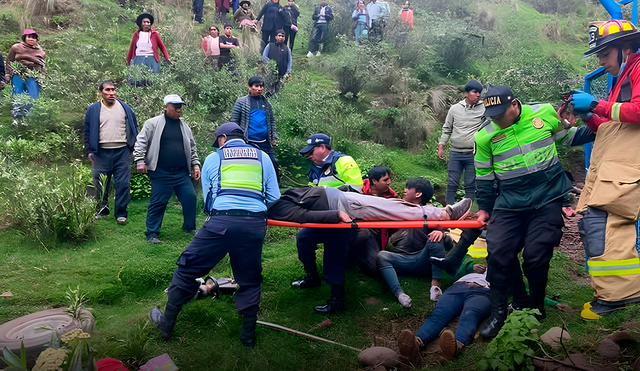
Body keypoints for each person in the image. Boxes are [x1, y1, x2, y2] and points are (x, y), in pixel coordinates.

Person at [475, 85, 596, 338]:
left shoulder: (543, 113)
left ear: (514, 104)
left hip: (547, 198)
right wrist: (485, 209)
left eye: (500, 113)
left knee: (535, 255)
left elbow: (569, 138)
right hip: (509, 203)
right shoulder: (483, 136)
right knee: (498, 251)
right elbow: (484, 177)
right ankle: (503, 311)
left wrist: (598, 123)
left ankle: (537, 306)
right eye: (492, 115)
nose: (496, 119)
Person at [149, 122, 280, 348]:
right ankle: (248, 336)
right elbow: (273, 196)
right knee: (249, 277)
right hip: (254, 225)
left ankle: (166, 325)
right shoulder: (263, 157)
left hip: (221, 222)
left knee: (187, 268)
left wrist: (219, 215)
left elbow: (209, 198)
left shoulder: (214, 158)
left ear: (222, 139)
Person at [268, 186, 474, 314]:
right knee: (391, 209)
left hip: (335, 202)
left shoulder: (275, 201)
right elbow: (302, 215)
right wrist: (335, 215)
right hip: (337, 208)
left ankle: (441, 215)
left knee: (389, 207)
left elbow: (303, 208)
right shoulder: (274, 207)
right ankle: (443, 214)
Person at [569, 19, 640, 319]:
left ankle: (618, 298)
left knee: (604, 226)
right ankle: (610, 294)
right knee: (592, 224)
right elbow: (610, 125)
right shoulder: (622, 76)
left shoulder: (638, 67)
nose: (600, 60)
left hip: (625, 168)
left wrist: (596, 104)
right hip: (608, 167)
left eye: (604, 53)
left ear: (624, 48)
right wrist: (588, 115)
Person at [133, 95, 201, 244]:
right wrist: (139, 160)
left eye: (180, 106)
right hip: (161, 172)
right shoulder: (152, 123)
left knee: (190, 198)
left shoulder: (184, 127)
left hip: (181, 173)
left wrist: (195, 165)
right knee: (158, 202)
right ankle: (152, 233)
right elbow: (140, 142)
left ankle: (189, 227)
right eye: (175, 105)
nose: (179, 109)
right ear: (166, 107)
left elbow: (192, 147)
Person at [377, 178, 451, 308]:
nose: (404, 191)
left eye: (408, 188)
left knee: (435, 238)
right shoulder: (397, 209)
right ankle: (399, 294)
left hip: (423, 259)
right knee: (382, 256)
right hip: (401, 260)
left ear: (418, 194)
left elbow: (450, 244)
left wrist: (442, 234)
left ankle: (436, 286)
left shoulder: (432, 213)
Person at [397, 268, 490, 365]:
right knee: (439, 315)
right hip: (458, 288)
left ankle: (454, 348)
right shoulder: (474, 271)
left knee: (470, 315)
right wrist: (472, 266)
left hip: (483, 292)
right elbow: (451, 266)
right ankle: (415, 344)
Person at [84, 81, 139, 225]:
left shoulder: (125, 107)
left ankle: (121, 213)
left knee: (123, 183)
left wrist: (132, 146)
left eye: (113, 90)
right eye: (107, 90)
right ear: (100, 92)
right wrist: (89, 150)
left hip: (122, 152)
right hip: (101, 152)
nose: (111, 93)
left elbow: (134, 126)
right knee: (100, 183)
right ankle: (102, 209)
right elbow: (87, 130)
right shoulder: (93, 109)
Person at [438, 79, 486, 205]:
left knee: (470, 183)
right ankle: (449, 209)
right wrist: (441, 146)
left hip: (473, 154)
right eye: (474, 92)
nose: (478, 95)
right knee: (452, 182)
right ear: (466, 92)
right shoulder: (455, 109)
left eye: (479, 92)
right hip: (455, 153)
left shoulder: (484, 109)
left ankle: (467, 211)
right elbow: (447, 128)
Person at [346, 166, 398, 276]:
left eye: (389, 179)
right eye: (385, 180)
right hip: (357, 229)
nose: (389, 182)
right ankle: (346, 254)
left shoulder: (392, 197)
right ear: (374, 181)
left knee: (372, 269)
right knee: (361, 234)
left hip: (376, 233)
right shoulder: (357, 192)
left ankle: (358, 255)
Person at [230, 76, 280, 177]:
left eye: (261, 86)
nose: (259, 88)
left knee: (273, 164)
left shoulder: (266, 104)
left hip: (265, 143)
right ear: (250, 87)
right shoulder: (241, 102)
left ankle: (274, 189)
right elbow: (234, 123)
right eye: (256, 86)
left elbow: (272, 121)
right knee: (249, 168)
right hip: (248, 142)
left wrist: (273, 136)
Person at [5, 29, 46, 116]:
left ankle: (29, 114)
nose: (31, 39)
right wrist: (7, 74)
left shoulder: (41, 52)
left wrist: (43, 77)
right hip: (18, 73)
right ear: (24, 38)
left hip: (33, 75)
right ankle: (17, 114)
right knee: (18, 92)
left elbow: (42, 66)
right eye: (29, 37)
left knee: (33, 94)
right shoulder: (16, 47)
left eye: (34, 37)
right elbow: (9, 60)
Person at [126, 13, 169, 86]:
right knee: (138, 80)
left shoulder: (154, 34)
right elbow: (132, 47)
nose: (146, 24)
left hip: (152, 58)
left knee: (152, 80)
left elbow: (162, 46)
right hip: (139, 58)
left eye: (148, 22)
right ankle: (138, 95)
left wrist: (167, 57)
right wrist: (128, 60)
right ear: (141, 24)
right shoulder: (137, 34)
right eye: (144, 22)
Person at [262, 29, 292, 94]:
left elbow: (289, 61)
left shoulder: (287, 49)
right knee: (268, 91)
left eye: (283, 36)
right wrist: (271, 64)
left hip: (281, 75)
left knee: (279, 92)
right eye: (279, 35)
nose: (281, 37)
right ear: (276, 37)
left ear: (284, 38)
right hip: (270, 74)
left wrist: (288, 72)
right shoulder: (269, 46)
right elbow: (264, 57)